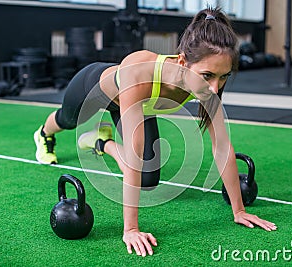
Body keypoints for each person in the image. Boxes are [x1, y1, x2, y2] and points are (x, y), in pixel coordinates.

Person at [34, 6, 277, 257]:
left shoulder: (206, 88)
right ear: (183, 62)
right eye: (207, 75)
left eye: (223, 76)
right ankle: (43, 134)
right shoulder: (141, 72)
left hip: (136, 106)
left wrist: (239, 211)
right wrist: (131, 229)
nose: (215, 88)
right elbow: (136, 152)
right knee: (66, 119)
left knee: (148, 179)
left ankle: (101, 142)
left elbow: (222, 147)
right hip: (94, 86)